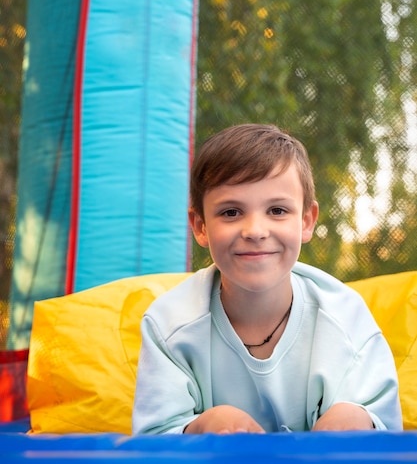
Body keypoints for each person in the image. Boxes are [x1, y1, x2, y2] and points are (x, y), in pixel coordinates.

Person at [132, 123, 402, 434]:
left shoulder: (346, 317)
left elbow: (388, 430)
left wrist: (358, 420)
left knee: (350, 418)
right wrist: (199, 428)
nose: (255, 231)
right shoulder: (169, 325)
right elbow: (153, 439)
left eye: (276, 210)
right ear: (200, 226)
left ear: (306, 221)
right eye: (231, 212)